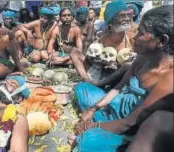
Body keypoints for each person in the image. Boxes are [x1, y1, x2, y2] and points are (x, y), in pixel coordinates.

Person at [71, 5, 173, 151]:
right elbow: (118, 88)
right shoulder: (142, 58)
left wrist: (92, 126)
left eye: (141, 33)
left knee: (87, 142)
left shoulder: (170, 79)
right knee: (82, 89)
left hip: (132, 127)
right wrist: (93, 109)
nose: (135, 36)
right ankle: (101, 121)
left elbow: (129, 123)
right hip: (118, 106)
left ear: (161, 41)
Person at [70, 0, 135, 83]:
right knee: (74, 52)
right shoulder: (100, 38)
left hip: (122, 78)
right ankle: (88, 81)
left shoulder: (132, 38)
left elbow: (139, 63)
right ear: (110, 22)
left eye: (128, 15)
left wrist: (118, 66)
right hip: (100, 72)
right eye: (122, 16)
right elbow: (88, 58)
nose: (127, 19)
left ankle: (98, 85)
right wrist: (97, 60)